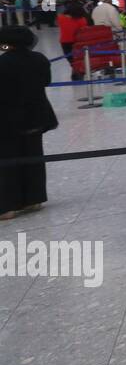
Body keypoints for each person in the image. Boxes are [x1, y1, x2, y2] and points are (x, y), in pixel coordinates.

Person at [0, 26, 58, 221]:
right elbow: (46, 82)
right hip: (36, 116)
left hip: (8, 120)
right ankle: (34, 199)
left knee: (8, 161)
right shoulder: (39, 59)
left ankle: (7, 206)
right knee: (34, 156)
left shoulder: (2, 63)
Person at [57, 0, 90, 81]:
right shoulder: (82, 20)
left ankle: (76, 72)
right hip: (78, 41)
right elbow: (84, 30)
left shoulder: (61, 18)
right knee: (78, 58)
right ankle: (78, 72)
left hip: (65, 42)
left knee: (70, 58)